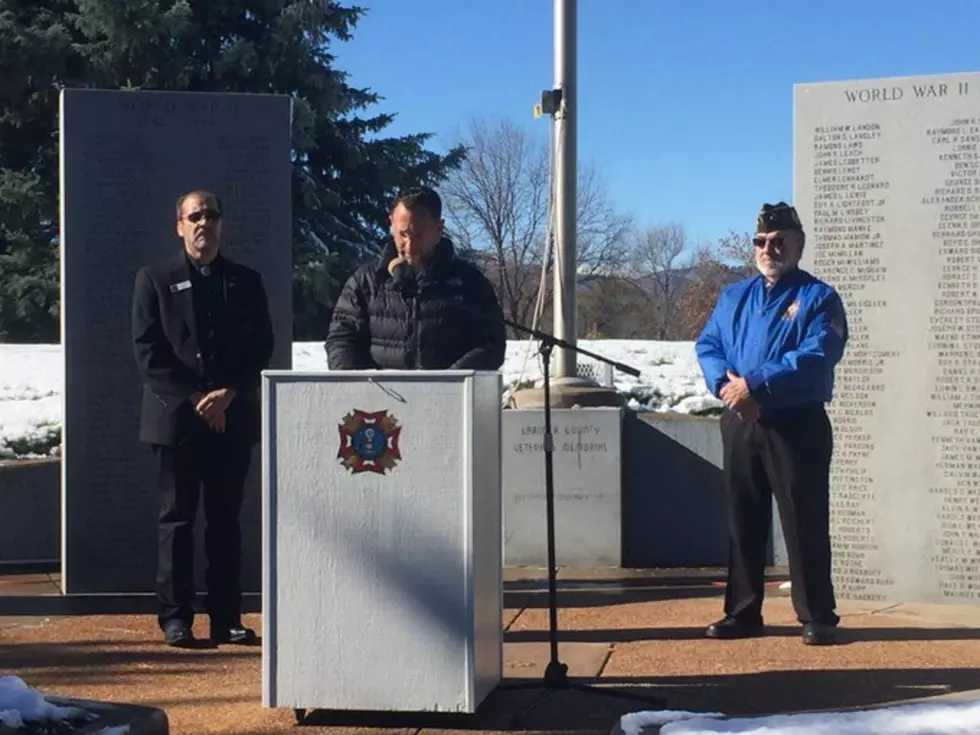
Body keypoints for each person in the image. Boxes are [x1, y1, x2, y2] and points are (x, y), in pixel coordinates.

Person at [695, 201, 848, 646]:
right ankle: (742, 612)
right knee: (743, 518)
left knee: (804, 520)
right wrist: (726, 387)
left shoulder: (819, 297)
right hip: (741, 422)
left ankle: (817, 615)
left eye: (779, 240)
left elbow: (816, 355)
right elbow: (709, 345)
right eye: (761, 241)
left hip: (795, 423)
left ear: (798, 243)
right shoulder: (733, 296)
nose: (769, 248)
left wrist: (756, 387)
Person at [131, 190, 273, 648]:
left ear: (221, 225)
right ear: (179, 225)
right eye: (195, 216)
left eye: (211, 216)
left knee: (225, 520)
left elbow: (261, 347)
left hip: (230, 419)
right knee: (176, 521)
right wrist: (197, 398)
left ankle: (227, 616)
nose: (203, 224)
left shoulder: (246, 281)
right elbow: (148, 351)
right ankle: (176, 618)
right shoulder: (154, 279)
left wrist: (228, 393)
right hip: (177, 420)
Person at [325, 186, 506, 371]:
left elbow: (491, 344)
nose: (409, 247)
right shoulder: (365, 281)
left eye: (418, 236)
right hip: (381, 395)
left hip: (448, 395)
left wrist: (451, 383)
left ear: (439, 229)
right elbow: (342, 338)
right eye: (403, 234)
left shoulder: (470, 282)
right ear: (391, 225)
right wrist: (358, 386)